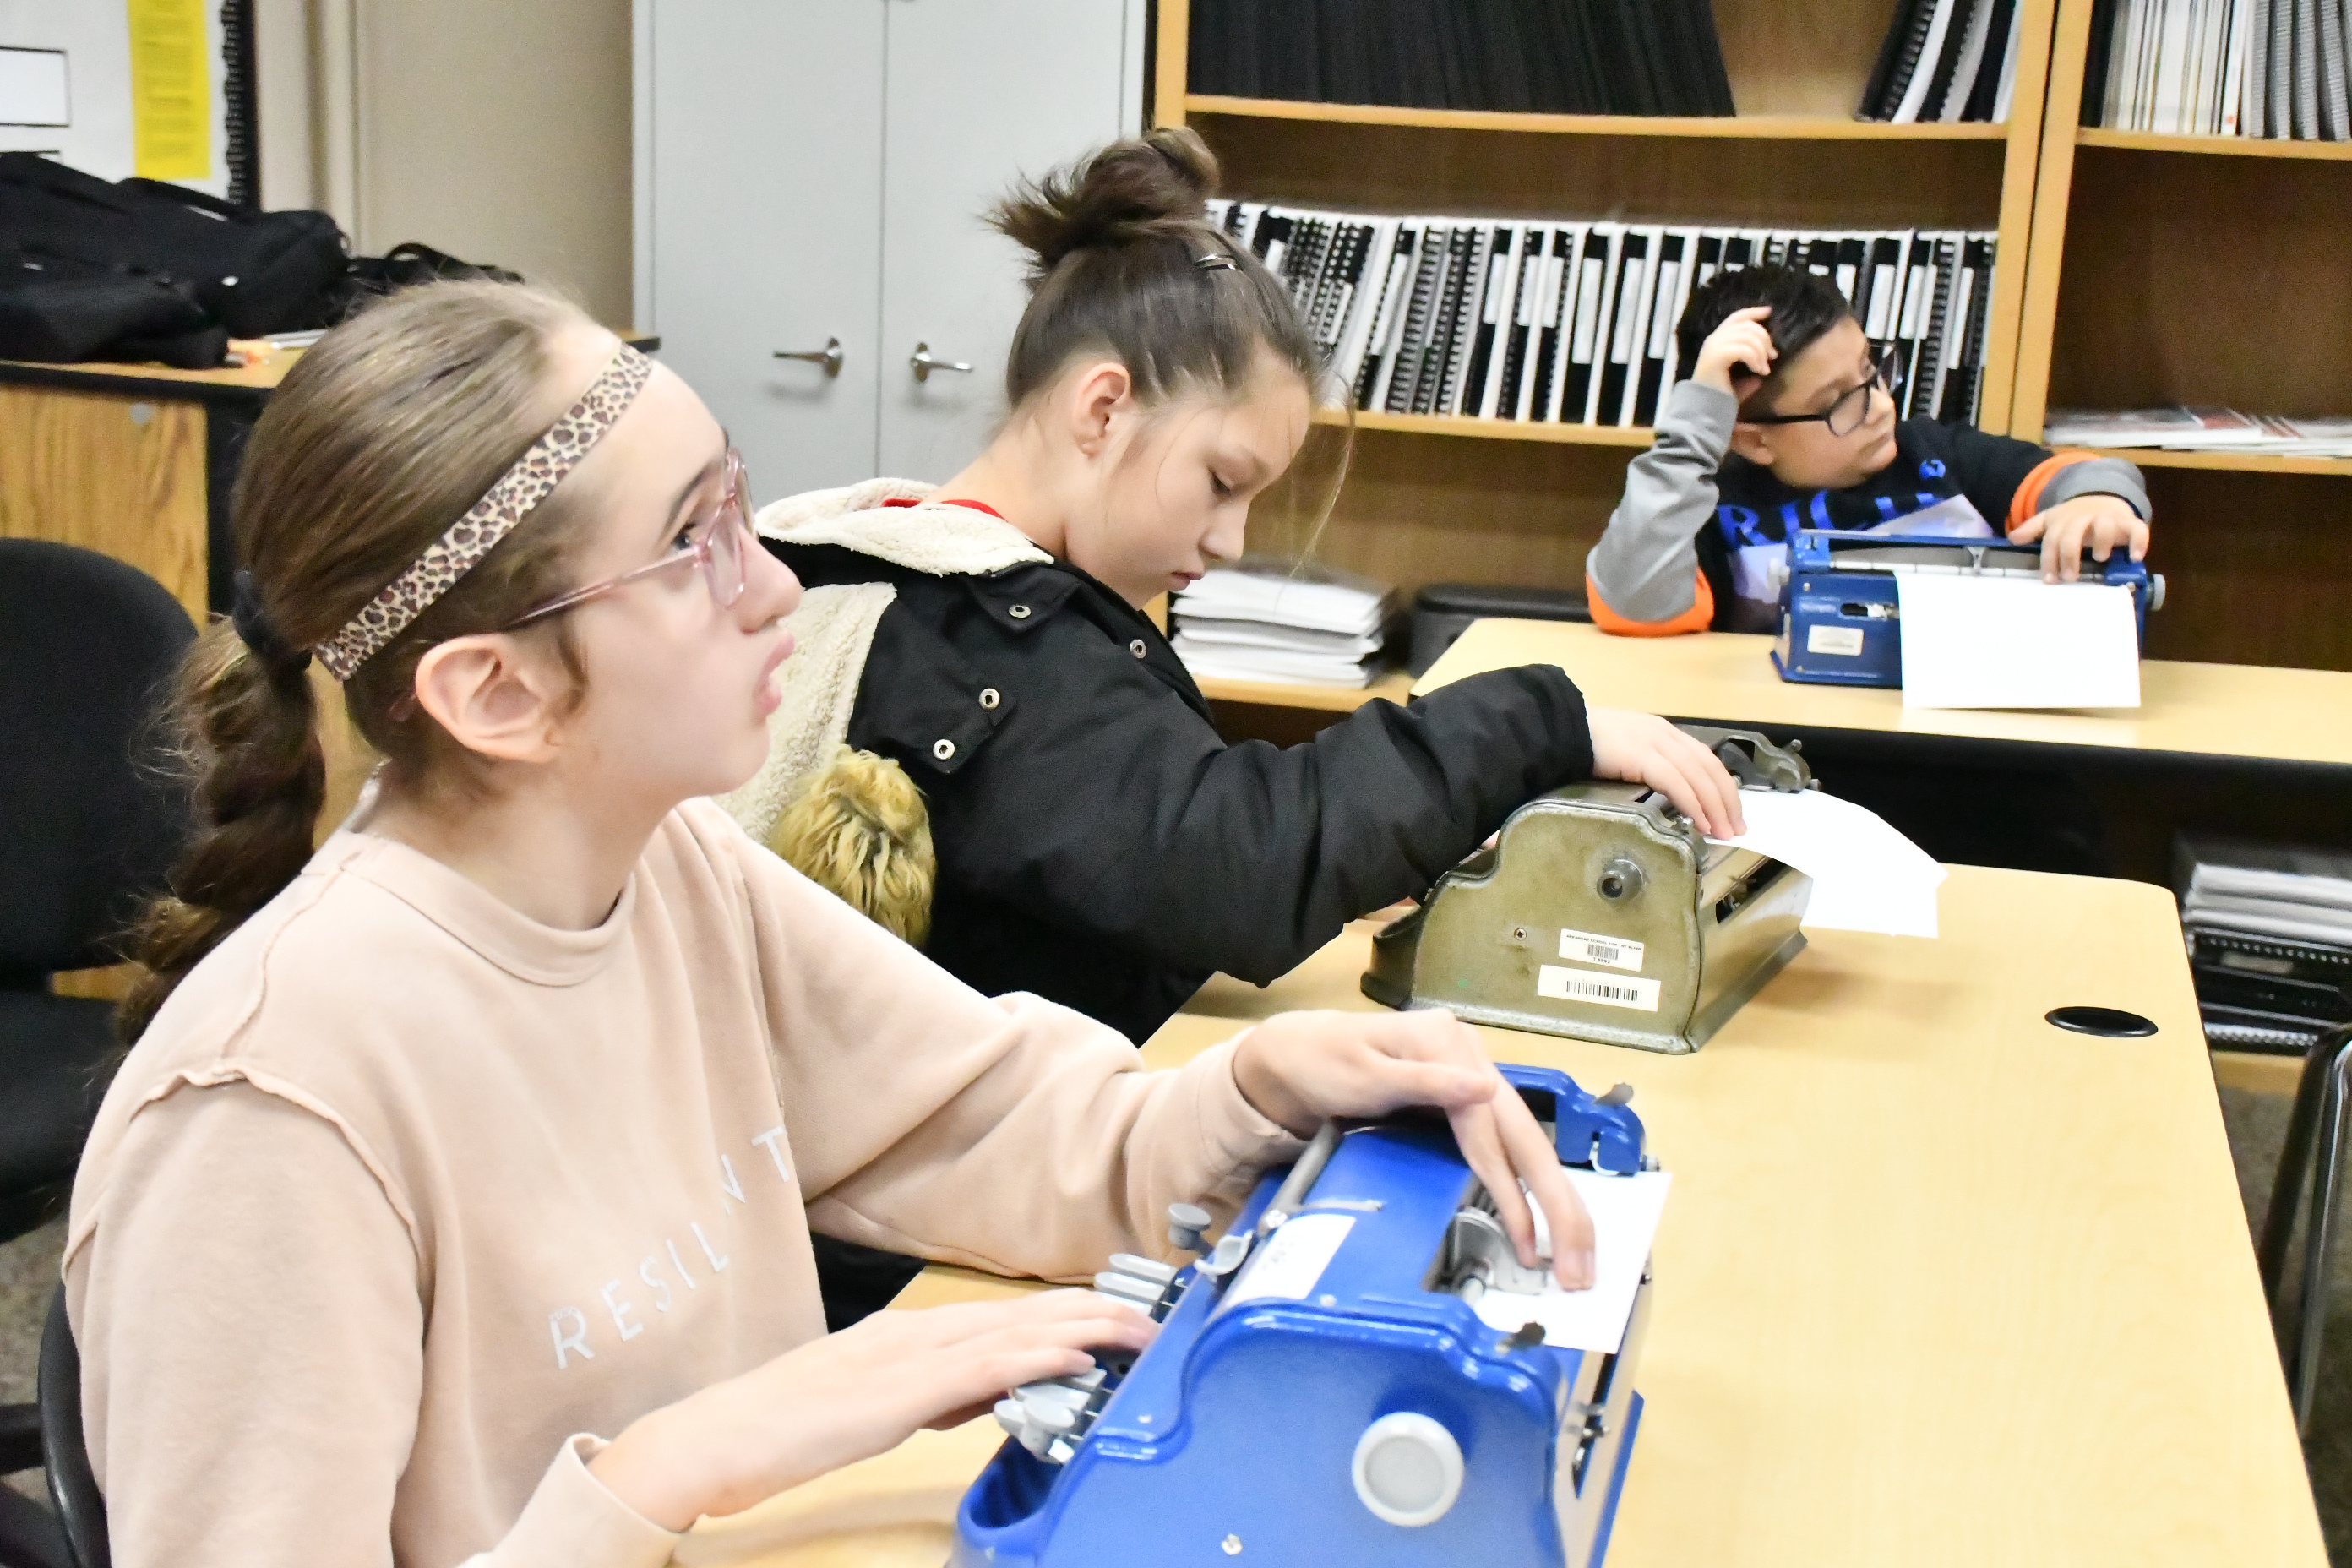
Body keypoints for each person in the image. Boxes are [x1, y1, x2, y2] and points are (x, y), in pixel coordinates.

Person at [67, 280, 1598, 1568]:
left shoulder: (669, 871)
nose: (772, 595)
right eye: (694, 545)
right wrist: (672, 1471)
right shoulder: (268, 1109)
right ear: (494, 690)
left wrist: (1250, 1095)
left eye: (743, 508)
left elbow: (994, 1125)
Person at [731, 126, 1745, 1048]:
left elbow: (1128, 845)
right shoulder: (992, 646)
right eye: (1221, 482)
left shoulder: (880, 564)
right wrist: (1535, 725)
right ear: (1102, 409)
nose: (1230, 539)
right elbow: (1232, 862)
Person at [1585, 260, 2152, 637]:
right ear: (1753, 440)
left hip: (1973, 761)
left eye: (1872, 371)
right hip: (1795, 757)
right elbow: (1634, 603)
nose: (1880, 405)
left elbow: (2080, 476)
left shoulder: (1939, 459)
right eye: (1841, 402)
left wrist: (2097, 502)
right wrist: (1697, 426)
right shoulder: (1705, 511)